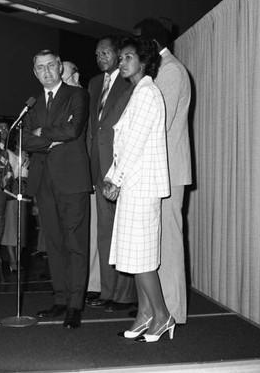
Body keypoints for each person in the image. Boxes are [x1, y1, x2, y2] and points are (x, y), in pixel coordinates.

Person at [102, 37, 174, 342]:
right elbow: (124, 145)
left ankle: (162, 315)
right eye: (121, 58)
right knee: (134, 255)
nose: (121, 62)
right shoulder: (138, 92)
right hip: (134, 183)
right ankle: (144, 314)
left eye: (127, 57)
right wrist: (113, 176)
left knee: (141, 258)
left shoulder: (147, 93)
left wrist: (114, 179)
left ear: (143, 61)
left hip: (141, 186)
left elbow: (133, 145)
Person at [23, 49, 91, 329]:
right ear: (35, 73)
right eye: (41, 68)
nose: (47, 71)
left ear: (60, 68)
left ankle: (75, 305)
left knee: (75, 243)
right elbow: (25, 139)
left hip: (72, 179)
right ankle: (61, 298)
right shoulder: (33, 104)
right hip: (44, 181)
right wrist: (49, 139)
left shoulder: (77, 95)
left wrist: (44, 134)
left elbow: (74, 130)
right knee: (54, 243)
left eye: (51, 65)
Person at [134, 18, 192, 326]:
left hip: (168, 171)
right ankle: (158, 311)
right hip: (159, 171)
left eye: (141, 47)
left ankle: (172, 312)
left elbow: (158, 123)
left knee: (168, 241)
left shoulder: (170, 71)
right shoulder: (161, 70)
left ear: (153, 44)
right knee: (156, 242)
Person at [87, 35, 137, 312]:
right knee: (105, 234)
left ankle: (125, 295)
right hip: (99, 169)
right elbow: (93, 129)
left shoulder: (129, 81)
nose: (101, 57)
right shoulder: (95, 83)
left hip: (121, 169)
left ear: (118, 54)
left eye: (105, 52)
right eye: (97, 54)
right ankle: (108, 291)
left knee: (125, 234)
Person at [1, 131, 30, 273]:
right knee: (11, 229)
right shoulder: (9, 153)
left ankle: (18, 260)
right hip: (13, 193)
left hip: (25, 193)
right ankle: (12, 260)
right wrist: (21, 161)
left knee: (21, 229)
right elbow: (10, 174)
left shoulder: (27, 154)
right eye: (19, 139)